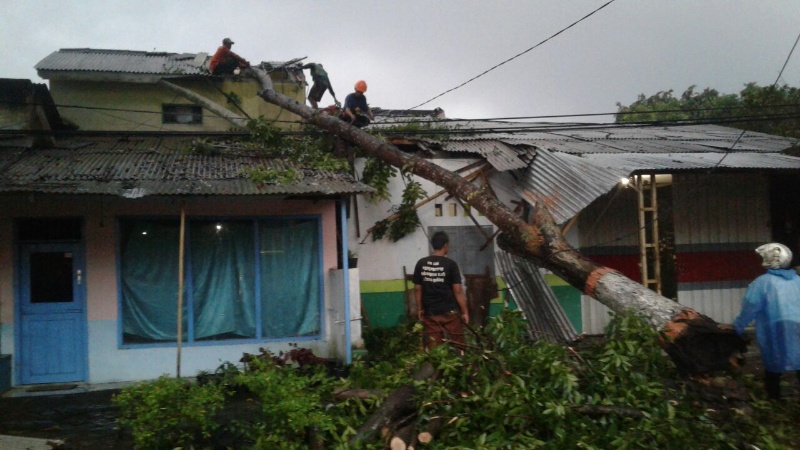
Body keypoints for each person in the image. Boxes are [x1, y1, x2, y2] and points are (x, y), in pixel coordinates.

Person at [733, 242, 800, 400]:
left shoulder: (763, 283)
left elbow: (750, 307)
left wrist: (737, 327)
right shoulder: (797, 280)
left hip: (775, 328)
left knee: (773, 363)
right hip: (798, 327)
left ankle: (774, 399)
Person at [413, 231, 469, 350]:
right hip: (450, 313)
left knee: (434, 347)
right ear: (445, 246)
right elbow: (458, 290)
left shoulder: (421, 263)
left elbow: (417, 289)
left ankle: (435, 365)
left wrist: (419, 309)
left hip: (430, 313)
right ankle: (460, 362)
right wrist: (465, 312)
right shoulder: (451, 264)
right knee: (458, 343)